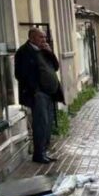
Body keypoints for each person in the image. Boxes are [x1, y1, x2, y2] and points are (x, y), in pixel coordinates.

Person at [14, 27, 65, 164]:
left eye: (44, 37)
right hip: (38, 94)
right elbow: (20, 74)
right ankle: (38, 154)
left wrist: (50, 52)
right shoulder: (24, 52)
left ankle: (44, 150)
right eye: (41, 37)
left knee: (48, 123)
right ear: (32, 38)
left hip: (49, 92)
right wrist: (35, 89)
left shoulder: (43, 50)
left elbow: (55, 67)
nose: (44, 40)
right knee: (40, 124)